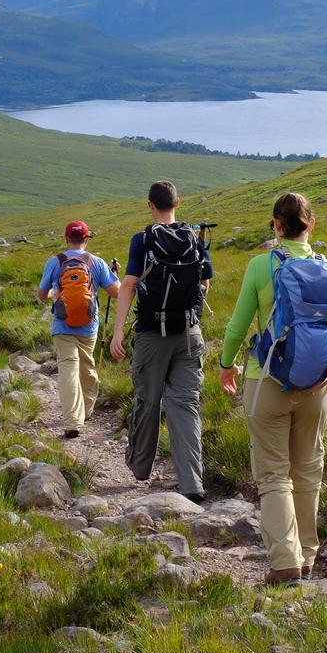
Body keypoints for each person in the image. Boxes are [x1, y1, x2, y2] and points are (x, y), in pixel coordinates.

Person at [218, 192, 327, 585]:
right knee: (308, 471)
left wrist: (226, 365)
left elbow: (236, 327)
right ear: (311, 224)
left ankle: (285, 561)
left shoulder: (259, 267)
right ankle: (309, 557)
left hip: (266, 382)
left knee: (274, 475)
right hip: (318, 388)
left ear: (276, 226)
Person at [110, 181, 212, 501]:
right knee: (186, 406)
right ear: (177, 203)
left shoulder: (142, 240)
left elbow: (128, 285)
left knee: (148, 401)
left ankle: (140, 468)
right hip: (188, 334)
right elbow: (204, 285)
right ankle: (192, 483)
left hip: (152, 334)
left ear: (150, 205)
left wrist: (117, 331)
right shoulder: (195, 239)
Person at [38, 220, 120, 438]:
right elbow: (117, 293)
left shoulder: (55, 262)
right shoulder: (96, 262)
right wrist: (115, 274)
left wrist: (52, 295)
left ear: (66, 239)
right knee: (87, 370)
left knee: (68, 369)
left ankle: (73, 421)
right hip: (88, 326)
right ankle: (84, 413)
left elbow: (41, 294)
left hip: (61, 326)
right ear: (86, 239)